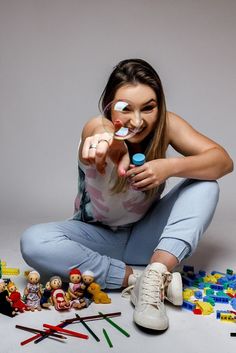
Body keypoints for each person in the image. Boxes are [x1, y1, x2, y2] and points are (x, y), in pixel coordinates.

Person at [20, 58, 233, 331]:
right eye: (125, 109)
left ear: (159, 105)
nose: (137, 121)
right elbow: (98, 130)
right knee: (34, 240)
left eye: (148, 108)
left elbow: (223, 162)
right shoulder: (100, 129)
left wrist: (169, 167)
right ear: (109, 107)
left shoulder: (166, 125)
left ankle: (157, 272)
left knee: (206, 184)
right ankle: (137, 280)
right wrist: (109, 143)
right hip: (94, 239)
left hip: (146, 237)